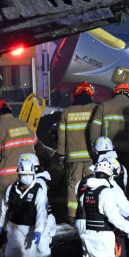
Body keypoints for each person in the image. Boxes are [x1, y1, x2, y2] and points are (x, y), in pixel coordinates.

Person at [0, 158, 49, 257]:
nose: (27, 177)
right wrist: (0, 226)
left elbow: (42, 213)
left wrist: (38, 230)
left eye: (29, 175)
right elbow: (4, 208)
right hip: (13, 227)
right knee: (11, 256)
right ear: (19, 175)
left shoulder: (38, 190)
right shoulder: (12, 189)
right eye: (24, 175)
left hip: (30, 229)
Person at [90, 84, 129, 201]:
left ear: (115, 93)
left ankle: (108, 204)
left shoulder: (104, 106)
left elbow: (94, 130)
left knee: (107, 179)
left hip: (107, 153)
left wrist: (95, 149)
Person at [57, 81, 98, 222]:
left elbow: (61, 135)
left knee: (74, 183)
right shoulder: (95, 109)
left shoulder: (67, 111)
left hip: (74, 156)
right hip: (92, 155)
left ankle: (72, 214)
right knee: (91, 183)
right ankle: (91, 211)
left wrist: (61, 154)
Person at [17, 152, 57, 257]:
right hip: (42, 220)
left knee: (42, 251)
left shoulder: (38, 182)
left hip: (42, 221)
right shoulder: (41, 179)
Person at [0, 97, 37, 201]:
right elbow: (35, 141)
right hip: (28, 175)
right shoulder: (24, 124)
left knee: (3, 207)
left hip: (7, 176)